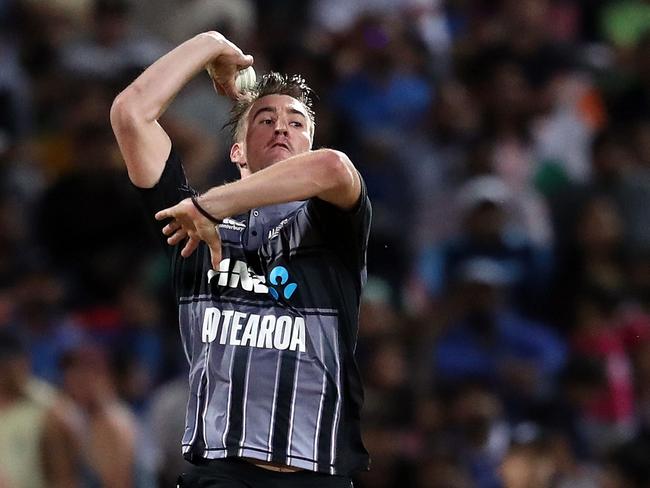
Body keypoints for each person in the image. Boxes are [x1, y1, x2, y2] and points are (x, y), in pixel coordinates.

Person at [110, 31, 371, 487]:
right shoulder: (189, 225)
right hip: (220, 471)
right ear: (237, 151)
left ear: (307, 145)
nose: (281, 128)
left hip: (318, 471)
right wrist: (210, 45)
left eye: (296, 122)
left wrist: (210, 205)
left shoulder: (332, 226)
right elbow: (130, 114)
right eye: (264, 120)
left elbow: (331, 169)